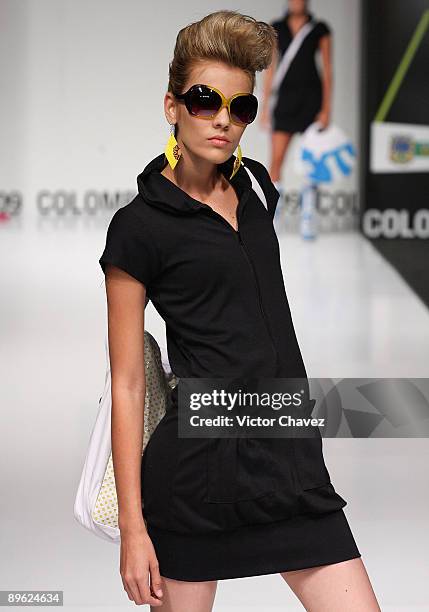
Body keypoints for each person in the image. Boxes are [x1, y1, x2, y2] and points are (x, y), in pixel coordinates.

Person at [98, 10, 381, 611]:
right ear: (172, 106)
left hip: (289, 462)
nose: (224, 119)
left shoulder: (255, 186)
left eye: (241, 106)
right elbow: (125, 382)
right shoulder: (138, 228)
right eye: (204, 101)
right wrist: (134, 529)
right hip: (195, 478)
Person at [260, 0, 333, 198]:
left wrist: (326, 109)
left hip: (311, 100)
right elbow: (271, 69)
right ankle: (271, 217)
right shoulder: (277, 27)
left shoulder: (319, 28)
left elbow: (327, 71)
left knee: (312, 163)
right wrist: (265, 108)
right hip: (284, 100)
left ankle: (308, 220)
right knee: (276, 160)